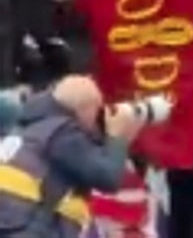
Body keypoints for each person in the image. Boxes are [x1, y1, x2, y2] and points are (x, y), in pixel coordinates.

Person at [0, 75, 146, 238]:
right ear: (84, 109)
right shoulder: (63, 134)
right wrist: (118, 138)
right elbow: (109, 178)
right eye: (96, 110)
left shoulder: (29, 126)